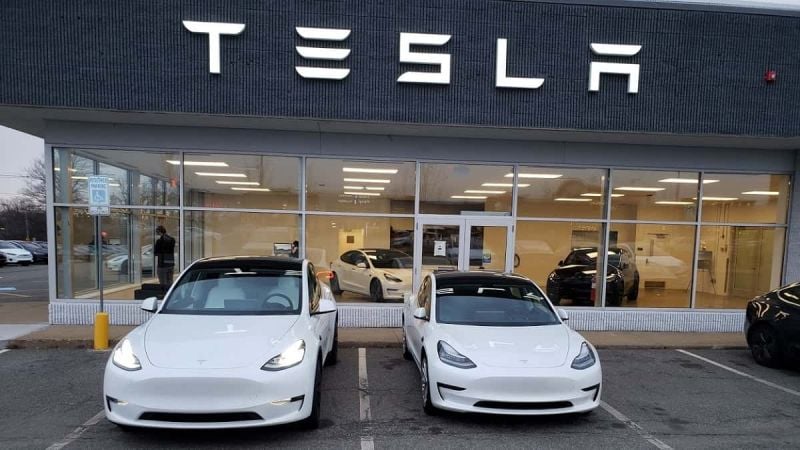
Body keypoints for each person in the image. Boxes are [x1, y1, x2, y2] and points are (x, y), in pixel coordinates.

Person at [154, 225, 176, 291]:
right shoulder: (172, 240)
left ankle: (164, 295)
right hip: (171, 263)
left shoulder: (159, 241)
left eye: (157, 231)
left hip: (162, 264)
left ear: (159, 231)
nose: (156, 233)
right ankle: (171, 293)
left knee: (163, 282)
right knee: (170, 280)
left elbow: (156, 253)